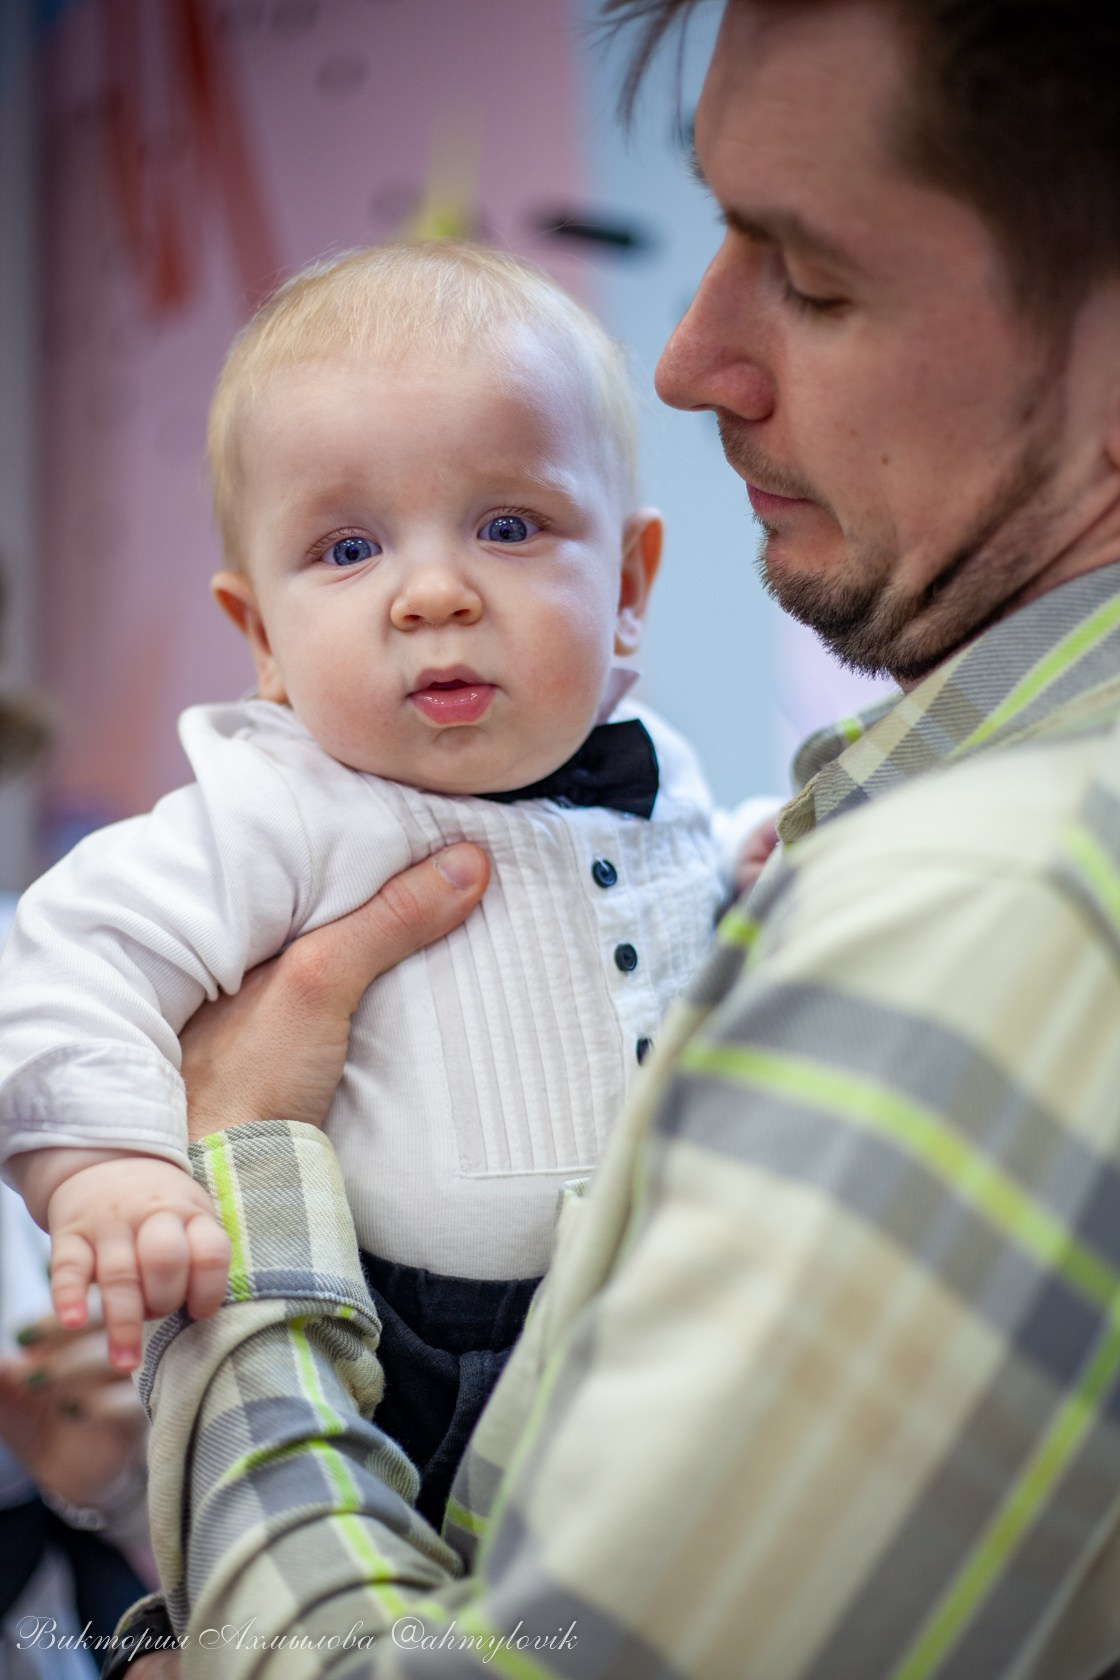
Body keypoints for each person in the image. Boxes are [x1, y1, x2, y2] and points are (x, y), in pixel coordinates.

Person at [119, 0, 1120, 1673]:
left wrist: (243, 1174)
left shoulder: (995, 916)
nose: (689, 357)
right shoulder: (867, 835)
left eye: (807, 274)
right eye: (719, 229)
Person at [0, 243, 760, 1521]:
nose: (434, 593)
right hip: (404, 1358)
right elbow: (66, 961)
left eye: (507, 526)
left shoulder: (657, 769)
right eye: (348, 548)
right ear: (262, 639)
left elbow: (672, 904)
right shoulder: (283, 804)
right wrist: (108, 1174)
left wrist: (753, 870)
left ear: (627, 589)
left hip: (669, 1322)